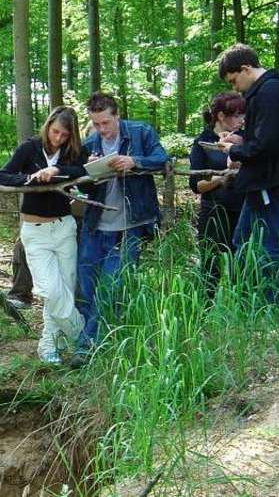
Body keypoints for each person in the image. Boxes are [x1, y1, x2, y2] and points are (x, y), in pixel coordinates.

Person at [72, 92, 169, 366]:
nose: (102, 129)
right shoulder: (90, 142)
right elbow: (82, 185)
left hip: (130, 225)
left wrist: (134, 161)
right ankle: (103, 336)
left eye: (106, 122)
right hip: (96, 224)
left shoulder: (140, 133)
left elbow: (162, 158)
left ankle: (86, 347)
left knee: (112, 286)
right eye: (96, 123)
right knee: (87, 285)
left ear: (117, 115)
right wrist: (90, 173)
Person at [0, 106, 88, 364]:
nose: (58, 138)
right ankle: (84, 337)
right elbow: (1, 176)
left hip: (64, 227)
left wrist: (57, 171)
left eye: (64, 135)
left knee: (64, 290)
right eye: (55, 131)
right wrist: (30, 179)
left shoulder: (71, 153)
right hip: (34, 232)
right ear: (47, 126)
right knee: (50, 290)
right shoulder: (30, 148)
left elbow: (85, 173)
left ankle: (49, 349)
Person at [216, 44, 279, 296]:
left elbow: (267, 145)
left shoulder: (270, 92)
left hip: (268, 182)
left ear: (246, 69)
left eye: (233, 80)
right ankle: (250, 301)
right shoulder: (266, 91)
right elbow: (266, 138)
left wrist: (234, 152)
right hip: (259, 181)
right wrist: (241, 142)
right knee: (243, 240)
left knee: (270, 246)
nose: (234, 88)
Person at [190, 92, 246, 289]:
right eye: (237, 115)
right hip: (214, 212)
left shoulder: (244, 140)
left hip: (243, 211)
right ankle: (205, 314)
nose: (242, 120)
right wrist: (223, 176)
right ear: (221, 116)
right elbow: (196, 185)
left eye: (243, 115)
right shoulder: (202, 142)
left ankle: (242, 313)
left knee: (242, 267)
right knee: (210, 267)